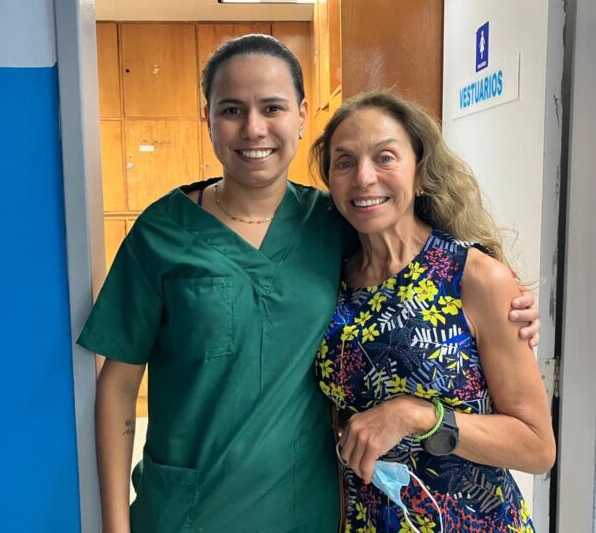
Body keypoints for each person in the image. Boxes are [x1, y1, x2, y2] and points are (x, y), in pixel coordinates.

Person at [77, 35, 541, 533]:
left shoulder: (331, 223)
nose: (253, 127)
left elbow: (417, 258)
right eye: (231, 109)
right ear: (207, 116)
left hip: (306, 510)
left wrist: (502, 296)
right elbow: (118, 386)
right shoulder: (162, 233)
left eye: (272, 107)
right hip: (187, 512)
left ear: (301, 115)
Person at [311, 90, 555, 533]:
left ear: (421, 172)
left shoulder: (473, 277)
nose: (364, 177)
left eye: (385, 157)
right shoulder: (329, 277)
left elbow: (537, 447)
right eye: (344, 162)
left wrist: (417, 414)